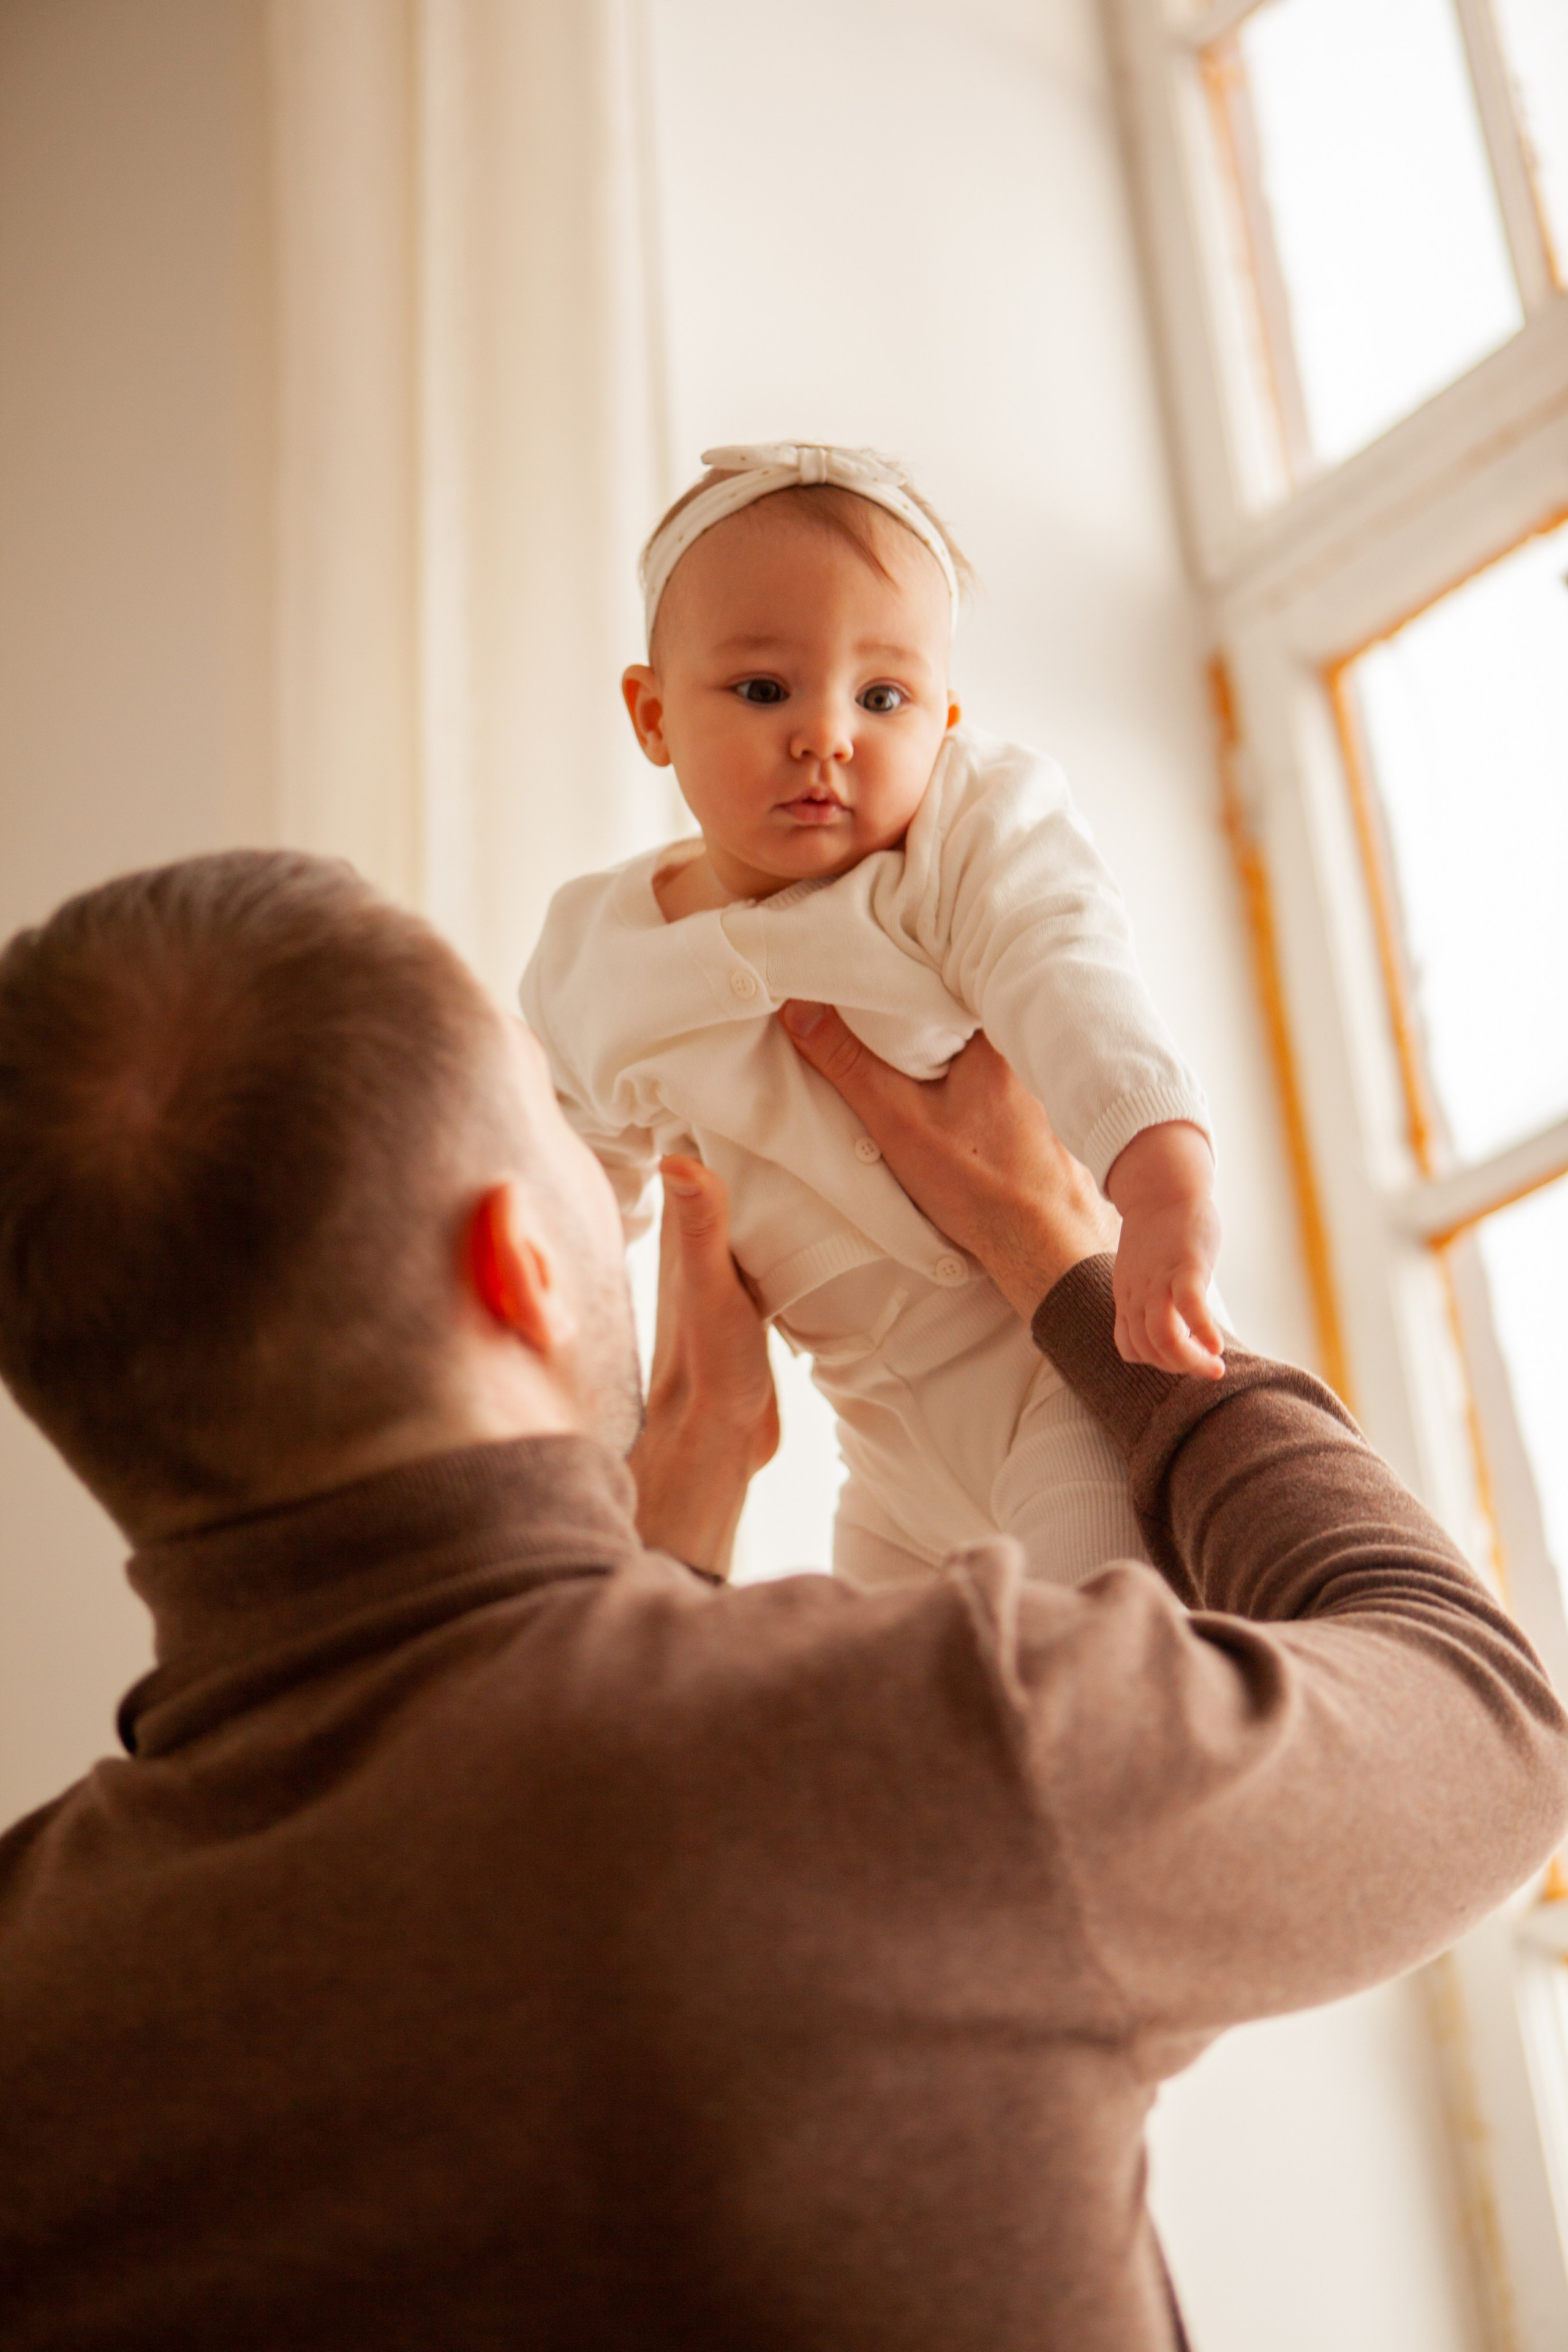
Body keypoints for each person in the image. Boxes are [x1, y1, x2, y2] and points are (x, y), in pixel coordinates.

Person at [0, 849, 1564, 2352]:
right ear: (521, 1268)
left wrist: (658, 1558)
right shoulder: (920, 1744)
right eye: (564, 1150)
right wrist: (1068, 1261)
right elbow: (1484, 1726)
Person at [523, 439, 1223, 1593]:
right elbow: (571, 1208)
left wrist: (1161, 1180)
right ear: (652, 716)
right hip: (887, 1470)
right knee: (893, 1721)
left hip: (1075, 1379)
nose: (827, 736)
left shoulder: (963, 840)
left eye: (882, 696)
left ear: (944, 721)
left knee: (1073, 1666)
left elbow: (1072, 970)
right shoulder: (594, 957)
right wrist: (583, 1435)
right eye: (763, 690)